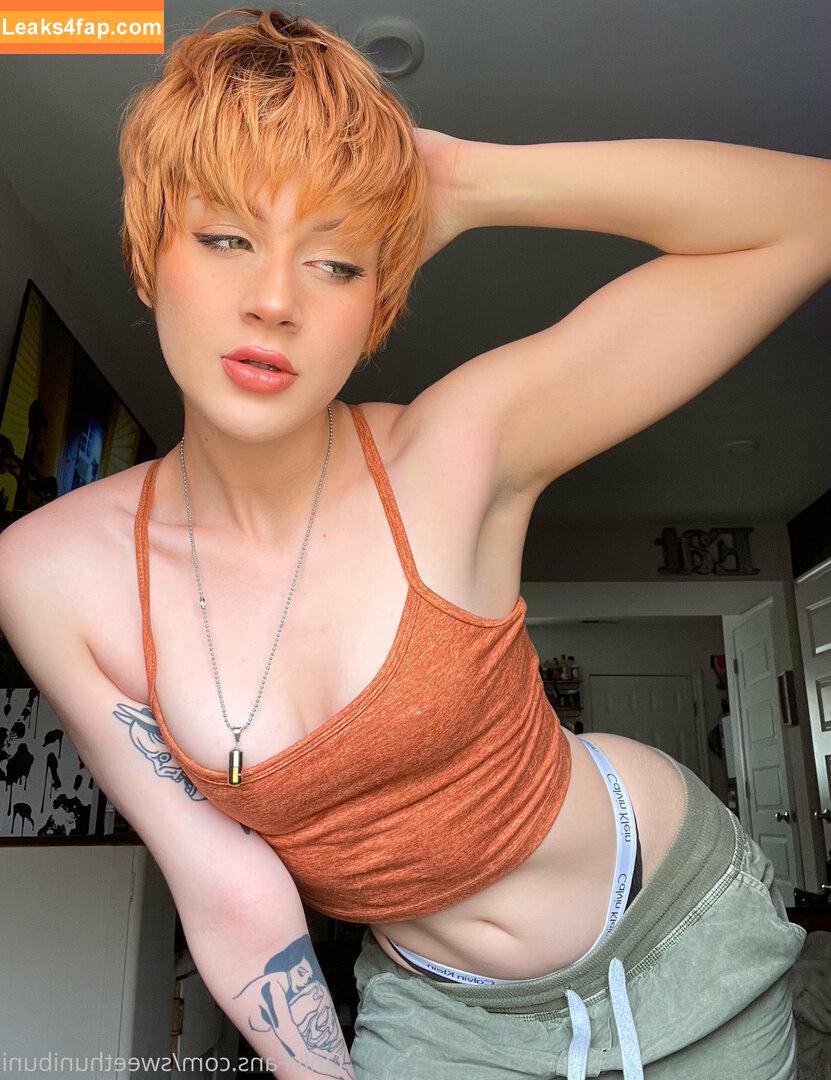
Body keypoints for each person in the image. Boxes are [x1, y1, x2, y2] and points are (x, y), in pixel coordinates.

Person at [0, 7, 828, 1078]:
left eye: (336, 264)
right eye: (225, 239)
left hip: (677, 921)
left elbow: (806, 217)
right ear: (148, 255)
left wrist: (472, 182)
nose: (274, 301)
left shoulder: (455, 448)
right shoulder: (52, 573)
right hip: (441, 1014)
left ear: (378, 305)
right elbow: (227, 886)